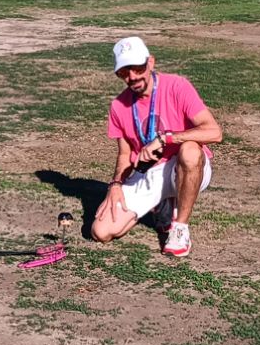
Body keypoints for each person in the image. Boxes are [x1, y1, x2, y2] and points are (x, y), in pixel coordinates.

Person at [91, 36, 222, 258]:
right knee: (101, 232)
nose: (133, 77)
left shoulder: (177, 86)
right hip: (148, 172)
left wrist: (165, 139)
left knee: (190, 150)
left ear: (150, 62)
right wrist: (115, 184)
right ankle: (163, 204)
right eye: (124, 72)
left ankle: (180, 228)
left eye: (138, 68)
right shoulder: (118, 106)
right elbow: (124, 154)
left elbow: (214, 132)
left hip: (185, 167)